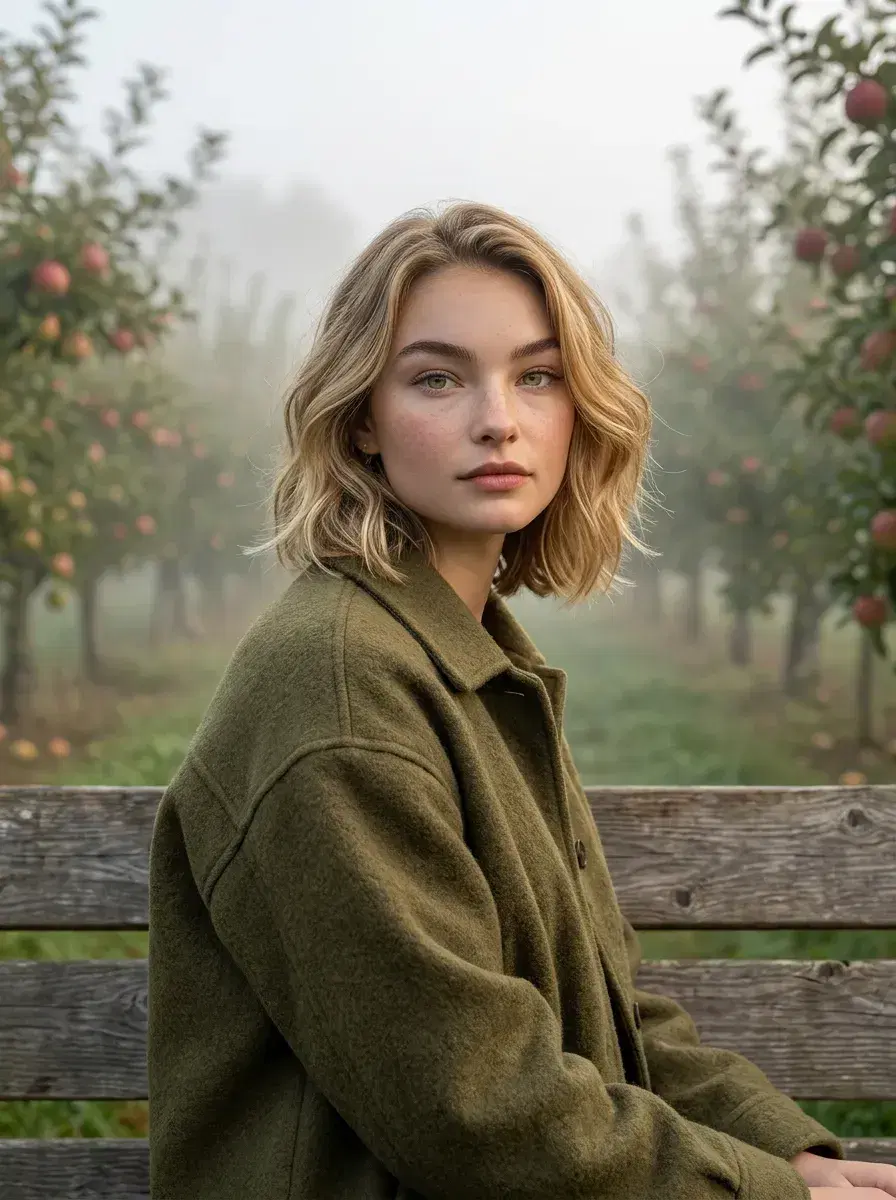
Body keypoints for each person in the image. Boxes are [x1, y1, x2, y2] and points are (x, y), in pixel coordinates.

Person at [146, 201, 896, 1200]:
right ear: (360, 418)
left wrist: (782, 1153)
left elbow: (605, 1009)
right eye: (437, 378)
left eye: (536, 375)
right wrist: (759, 1190)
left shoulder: (462, 654)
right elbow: (471, 1105)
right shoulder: (338, 688)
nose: (497, 417)